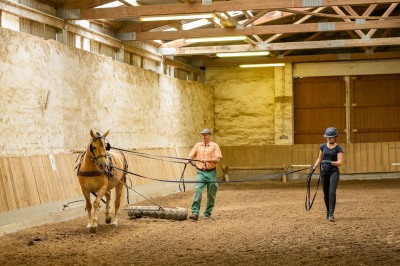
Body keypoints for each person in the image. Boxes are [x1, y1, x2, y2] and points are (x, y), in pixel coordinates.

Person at [187, 128, 222, 220]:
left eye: (206, 135)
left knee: (211, 194)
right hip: (201, 172)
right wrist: (188, 159)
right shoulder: (198, 145)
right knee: (198, 191)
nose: (204, 137)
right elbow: (191, 155)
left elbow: (217, 159)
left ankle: (207, 213)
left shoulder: (215, 146)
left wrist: (207, 160)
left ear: (210, 136)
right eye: (202, 135)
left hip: (211, 173)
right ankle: (195, 213)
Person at [312, 127, 344, 222]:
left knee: (332, 193)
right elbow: (319, 158)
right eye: (327, 137)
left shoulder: (338, 148)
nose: (328, 139)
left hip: (334, 171)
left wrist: (330, 162)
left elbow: (340, 162)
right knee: (326, 194)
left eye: (331, 137)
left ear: (335, 137)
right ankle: (327, 210)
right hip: (324, 172)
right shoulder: (323, 146)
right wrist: (314, 168)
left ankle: (331, 213)